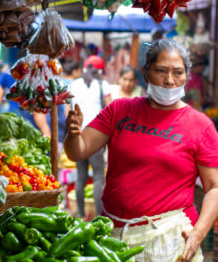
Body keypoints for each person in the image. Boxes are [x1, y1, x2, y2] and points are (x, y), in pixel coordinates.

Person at [64, 39, 218, 262]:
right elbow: (78, 151)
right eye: (161, 71)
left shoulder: (201, 126)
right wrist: (73, 133)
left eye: (178, 72)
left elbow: (214, 187)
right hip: (113, 235)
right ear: (145, 73)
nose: (169, 80)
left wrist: (198, 234)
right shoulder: (119, 110)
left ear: (187, 75)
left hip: (170, 240)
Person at [68, 55, 112, 219]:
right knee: (99, 176)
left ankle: (79, 215)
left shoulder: (73, 85)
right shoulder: (103, 84)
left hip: (78, 135)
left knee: (81, 176)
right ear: (99, 71)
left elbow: (68, 112)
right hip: (96, 136)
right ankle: (99, 217)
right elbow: (110, 109)